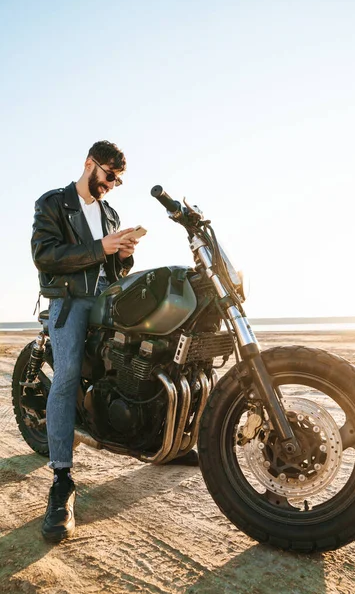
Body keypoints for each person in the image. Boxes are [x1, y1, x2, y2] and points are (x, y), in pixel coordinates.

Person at [32, 140, 198, 544]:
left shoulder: (110, 213)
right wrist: (100, 247)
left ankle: (164, 434)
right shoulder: (54, 203)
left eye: (118, 180)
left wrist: (123, 253)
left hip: (108, 299)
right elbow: (44, 255)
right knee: (68, 374)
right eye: (109, 175)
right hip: (70, 300)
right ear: (90, 164)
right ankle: (61, 481)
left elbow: (114, 267)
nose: (112, 184)